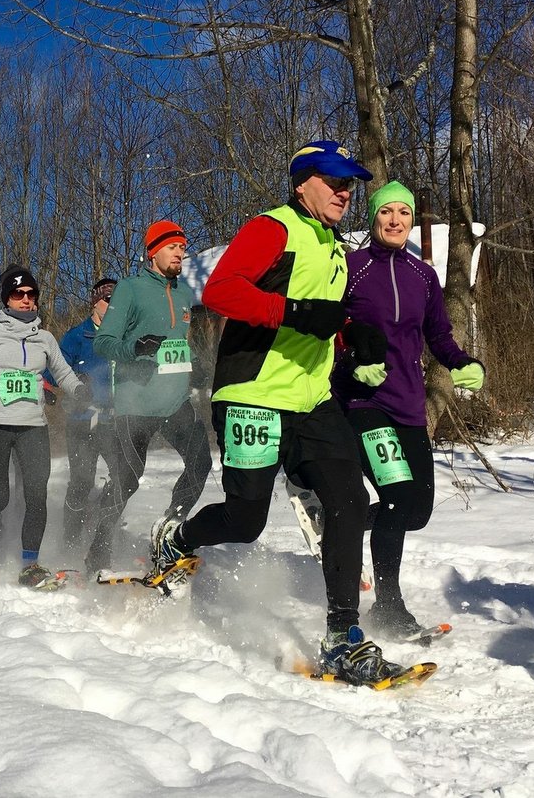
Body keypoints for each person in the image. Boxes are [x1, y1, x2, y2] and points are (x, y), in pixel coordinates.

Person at [150, 140, 408, 686]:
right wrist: (293, 313)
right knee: (246, 520)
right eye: (333, 180)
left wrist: (349, 334)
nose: (344, 191)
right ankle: (177, 541)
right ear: (301, 183)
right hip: (252, 396)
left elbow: (318, 318)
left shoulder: (334, 244)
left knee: (349, 499)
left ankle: (342, 637)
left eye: (349, 183)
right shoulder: (274, 228)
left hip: (311, 402)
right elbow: (220, 291)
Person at [334, 180, 485, 638]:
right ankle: (388, 608)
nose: (395, 220)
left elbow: (438, 335)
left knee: (417, 509)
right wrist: (352, 364)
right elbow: (329, 330)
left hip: (408, 405)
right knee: (398, 497)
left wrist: (463, 362)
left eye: (403, 212)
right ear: (373, 217)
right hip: (362, 401)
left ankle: (344, 516)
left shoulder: (424, 276)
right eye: (386, 212)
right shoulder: (351, 268)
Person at [0, 264, 88, 588]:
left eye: (31, 294)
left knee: (36, 495)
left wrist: (80, 390)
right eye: (18, 294)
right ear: (7, 299)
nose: (25, 300)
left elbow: (64, 373)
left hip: (33, 428)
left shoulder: (45, 338)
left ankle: (30, 565)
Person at [93, 221, 212, 542]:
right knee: (127, 479)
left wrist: (196, 365)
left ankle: (169, 529)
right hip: (136, 403)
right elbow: (103, 341)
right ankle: (97, 547)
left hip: (175, 400)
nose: (180, 253)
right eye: (172, 247)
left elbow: (178, 341)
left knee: (201, 464)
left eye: (183, 247)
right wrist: (134, 348)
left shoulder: (185, 293)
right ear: (152, 252)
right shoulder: (130, 288)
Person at [59, 277, 125, 572]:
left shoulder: (125, 335)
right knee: (82, 482)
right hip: (82, 421)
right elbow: (54, 373)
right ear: (94, 301)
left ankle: (106, 535)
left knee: (123, 479)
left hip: (116, 421)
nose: (113, 306)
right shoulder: (76, 336)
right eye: (108, 299)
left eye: (118, 301)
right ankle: (70, 542)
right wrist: (75, 384)